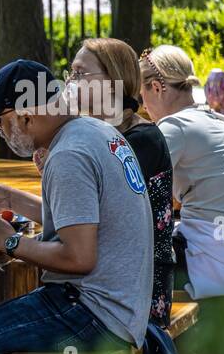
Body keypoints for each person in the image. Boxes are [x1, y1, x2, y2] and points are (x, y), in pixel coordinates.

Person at [0, 60, 153, 354]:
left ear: (27, 116)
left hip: (95, 315)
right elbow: (85, 222)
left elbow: (79, 257)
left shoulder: (68, 155)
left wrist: (10, 242)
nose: (0, 132)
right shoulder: (95, 131)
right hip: (124, 308)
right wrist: (14, 200)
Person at [138, 44, 224, 299]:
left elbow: (127, 186)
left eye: (141, 95)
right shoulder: (218, 120)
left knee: (124, 258)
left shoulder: (173, 126)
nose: (144, 106)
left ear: (156, 88)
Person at [67, 37, 174, 326]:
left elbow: (90, 216)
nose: (70, 83)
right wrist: (14, 200)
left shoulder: (141, 141)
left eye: (80, 74)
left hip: (136, 295)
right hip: (106, 284)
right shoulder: (97, 136)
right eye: (71, 74)